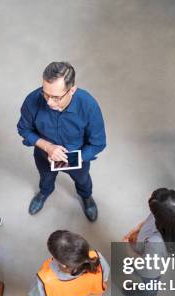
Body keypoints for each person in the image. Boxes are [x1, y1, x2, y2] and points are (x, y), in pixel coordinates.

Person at [17, 62, 107, 221]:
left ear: (72, 90)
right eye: (45, 94)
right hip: (44, 155)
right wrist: (48, 147)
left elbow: (98, 143)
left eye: (56, 97)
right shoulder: (32, 100)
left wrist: (73, 158)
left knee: (83, 180)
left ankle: (86, 197)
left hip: (77, 158)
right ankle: (44, 192)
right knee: (45, 177)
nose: (49, 102)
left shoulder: (88, 105)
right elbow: (24, 129)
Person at [122, 188, 175, 296]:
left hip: (150, 269)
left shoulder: (155, 244)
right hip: (146, 252)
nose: (149, 196)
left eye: (153, 211)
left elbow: (147, 265)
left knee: (150, 284)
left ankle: (148, 293)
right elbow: (149, 219)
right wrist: (139, 227)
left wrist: (128, 247)